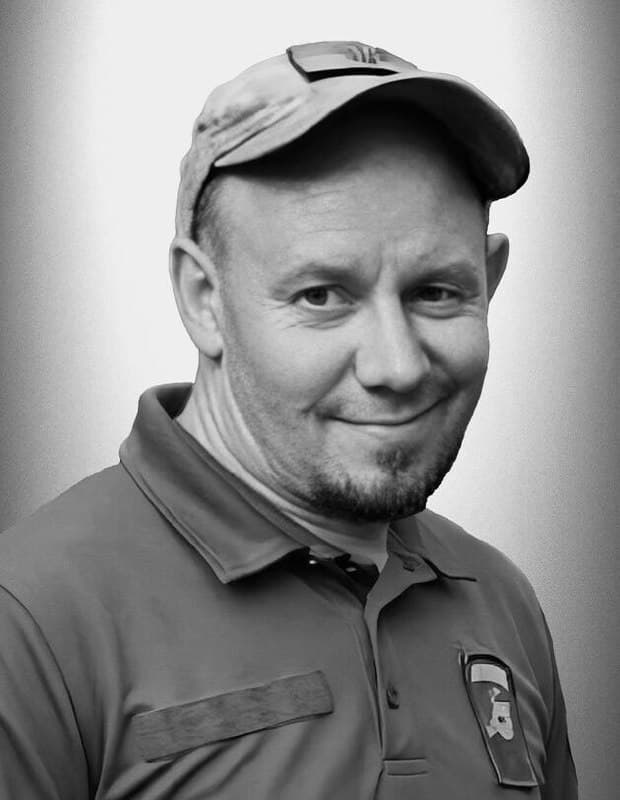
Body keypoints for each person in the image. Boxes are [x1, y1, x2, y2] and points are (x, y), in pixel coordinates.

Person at [0, 40, 577, 799]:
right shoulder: (30, 620)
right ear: (204, 300)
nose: (397, 365)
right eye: (322, 296)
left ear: (490, 283)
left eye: (437, 292)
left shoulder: (499, 601)